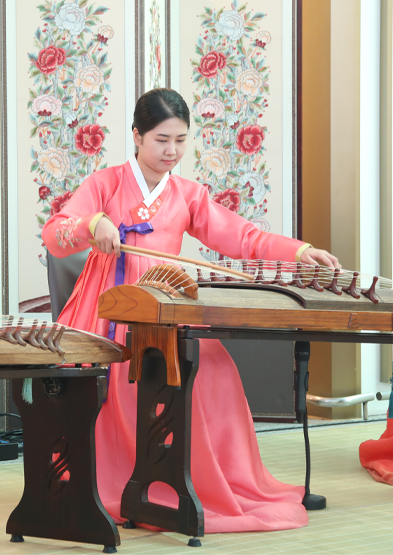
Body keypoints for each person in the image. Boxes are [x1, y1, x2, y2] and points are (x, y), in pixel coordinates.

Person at [42, 88, 340, 533]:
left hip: (166, 302)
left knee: (212, 372)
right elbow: (54, 233)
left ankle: (198, 483)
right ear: (137, 136)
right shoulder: (104, 183)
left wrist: (300, 250)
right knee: (119, 375)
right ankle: (121, 484)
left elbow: (244, 238)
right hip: (112, 305)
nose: (172, 151)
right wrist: (92, 224)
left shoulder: (189, 193)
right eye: (162, 139)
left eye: (181, 140)